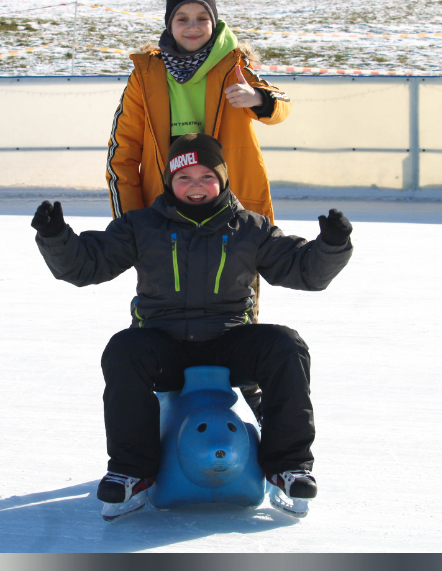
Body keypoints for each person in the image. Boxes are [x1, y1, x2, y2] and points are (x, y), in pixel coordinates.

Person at [34, 132, 351, 517]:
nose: (195, 187)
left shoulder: (251, 227)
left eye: (206, 177)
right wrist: (56, 238)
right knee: (123, 350)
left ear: (222, 179)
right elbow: (88, 264)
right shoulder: (142, 226)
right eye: (184, 178)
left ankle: (288, 466)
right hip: (163, 343)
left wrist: (331, 246)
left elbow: (303, 271)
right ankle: (131, 473)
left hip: (228, 341)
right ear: (170, 181)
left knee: (287, 346)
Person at [106, 0, 287, 220]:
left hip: (230, 212)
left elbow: (281, 105)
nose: (193, 27)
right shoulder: (146, 76)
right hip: (165, 212)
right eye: (182, 19)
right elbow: (123, 152)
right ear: (170, 24)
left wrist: (257, 98)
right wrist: (129, 222)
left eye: (202, 18)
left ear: (214, 21)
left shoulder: (233, 67)